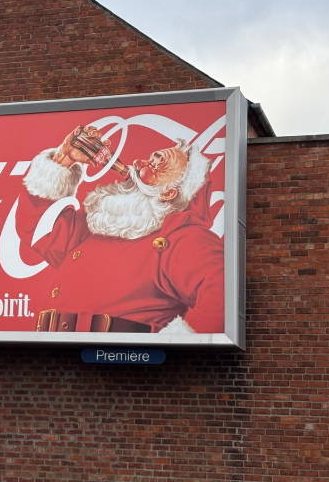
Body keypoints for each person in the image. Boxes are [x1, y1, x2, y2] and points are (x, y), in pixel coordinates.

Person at [18, 125, 224, 334]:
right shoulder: (103, 222)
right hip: (52, 357)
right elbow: (39, 230)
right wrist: (63, 160)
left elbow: (224, 292)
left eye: (156, 165)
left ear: (168, 193)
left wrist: (171, 347)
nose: (137, 163)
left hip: (119, 361)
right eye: (149, 158)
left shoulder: (179, 236)